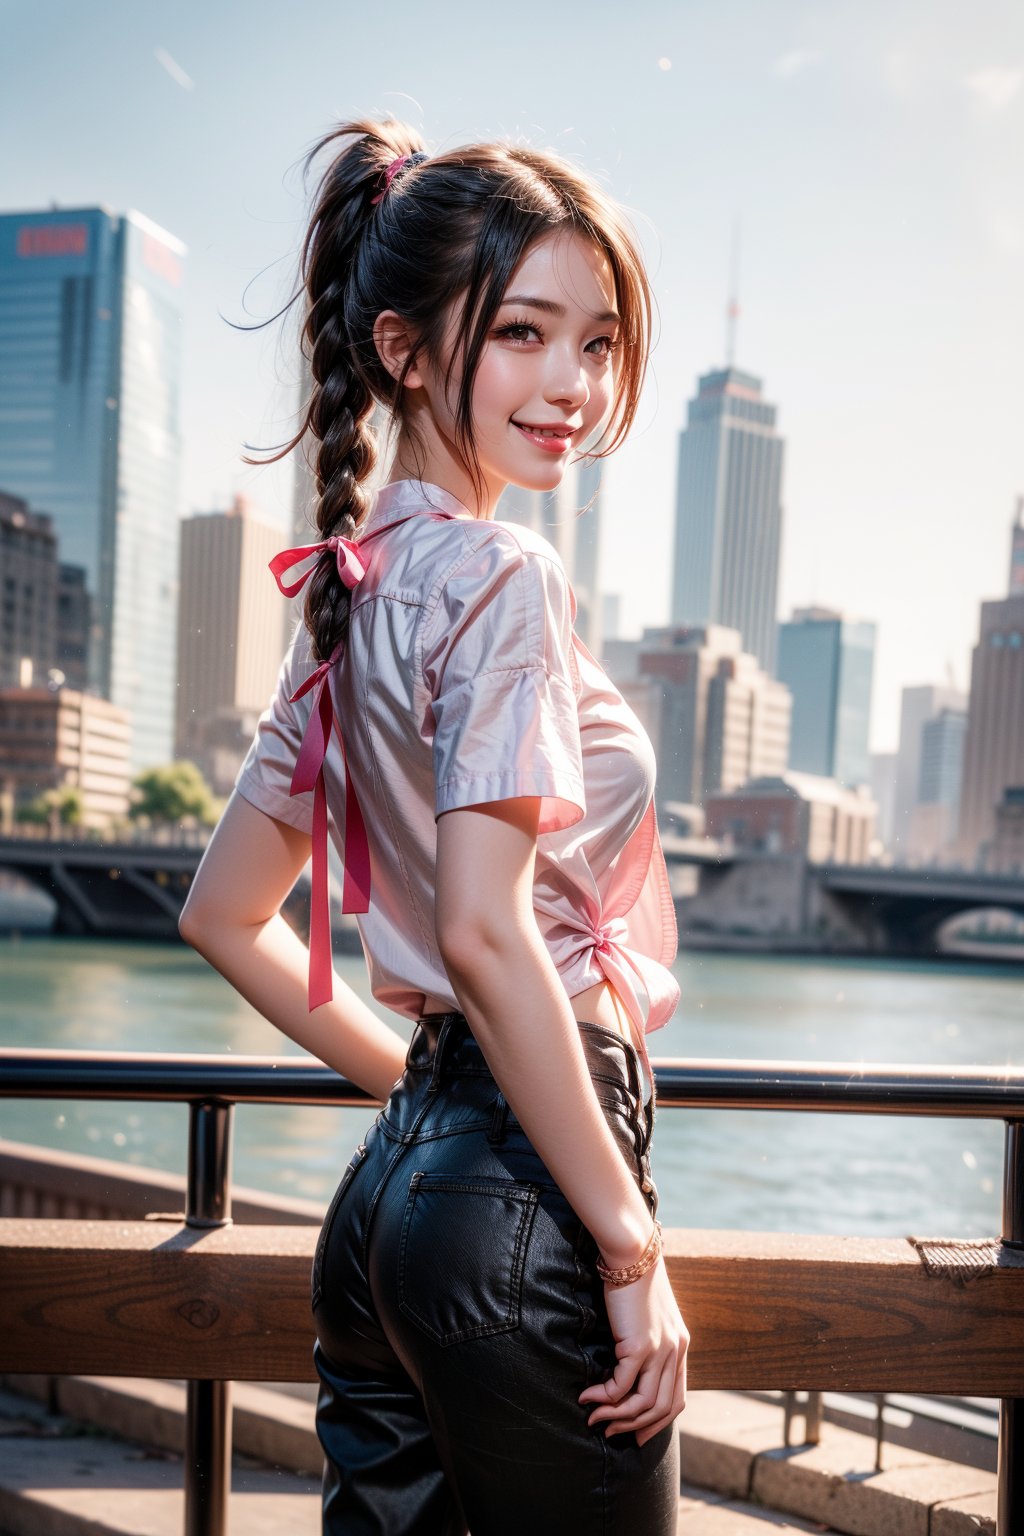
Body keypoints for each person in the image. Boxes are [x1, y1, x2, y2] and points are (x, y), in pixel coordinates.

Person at [179, 115, 690, 1536]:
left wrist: (425, 1101)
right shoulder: (501, 572)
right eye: (525, 332)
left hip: (390, 1208)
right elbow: (482, 929)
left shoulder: (348, 585)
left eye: (597, 343)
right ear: (406, 351)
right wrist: (628, 1238)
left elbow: (221, 915)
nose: (574, 383)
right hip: (520, 1205)